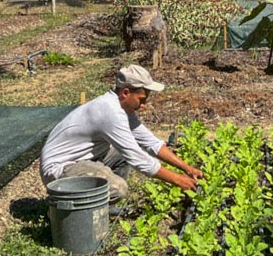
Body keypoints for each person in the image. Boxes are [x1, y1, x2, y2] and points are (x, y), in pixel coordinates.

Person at [39, 65, 203, 202]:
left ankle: (100, 204)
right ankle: (65, 207)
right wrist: (178, 180)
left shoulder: (121, 108)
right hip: (59, 171)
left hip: (81, 159)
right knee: (117, 187)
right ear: (125, 92)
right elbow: (137, 157)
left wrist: (187, 168)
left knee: (119, 152)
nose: (144, 105)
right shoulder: (109, 112)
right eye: (142, 99)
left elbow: (151, 143)